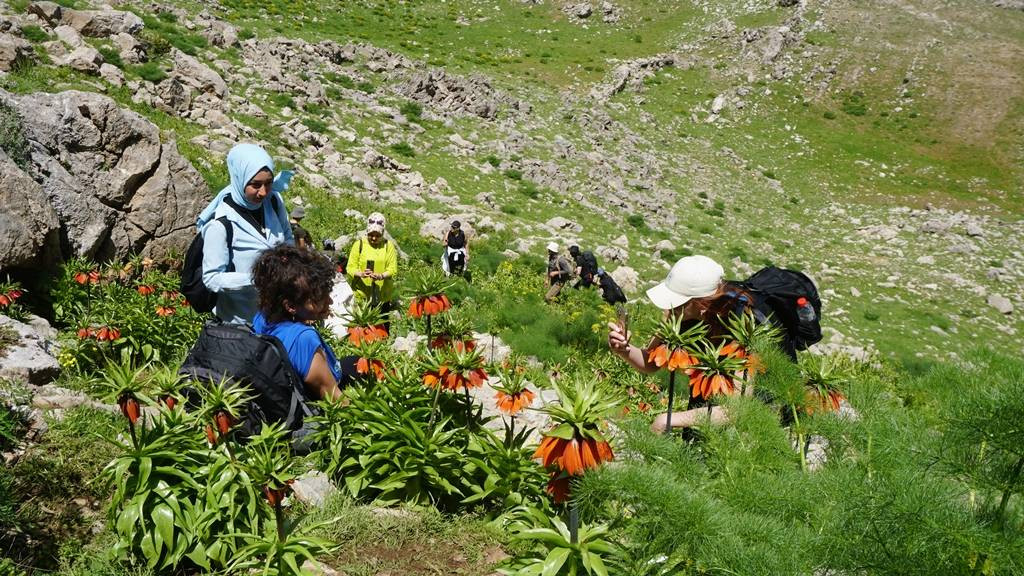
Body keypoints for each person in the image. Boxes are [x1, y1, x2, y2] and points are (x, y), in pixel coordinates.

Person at [607, 255, 755, 432]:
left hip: (746, 423)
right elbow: (651, 362)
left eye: (679, 303)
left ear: (702, 303)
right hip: (702, 402)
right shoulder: (676, 314)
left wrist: (667, 420)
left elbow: (736, 409)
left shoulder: (743, 325)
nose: (669, 307)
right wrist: (624, 350)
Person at [197, 143, 294, 324]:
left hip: (277, 314)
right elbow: (212, 278)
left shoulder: (273, 201)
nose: (263, 192)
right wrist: (256, 278)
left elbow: (287, 236)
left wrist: (288, 261)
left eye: (269, 183)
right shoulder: (221, 223)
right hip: (240, 322)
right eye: (256, 185)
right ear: (240, 179)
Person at [251, 244, 358, 401]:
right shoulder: (304, 338)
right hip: (319, 404)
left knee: (354, 363)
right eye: (318, 298)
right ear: (291, 306)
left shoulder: (263, 316)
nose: (329, 301)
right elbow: (334, 399)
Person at [346, 212, 398, 312]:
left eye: (377, 235)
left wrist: (381, 276)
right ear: (367, 232)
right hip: (361, 296)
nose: (374, 238)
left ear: (382, 233)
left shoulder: (388, 246)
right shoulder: (359, 244)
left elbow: (392, 269)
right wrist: (361, 274)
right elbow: (350, 268)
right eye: (371, 235)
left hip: (382, 297)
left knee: (381, 327)